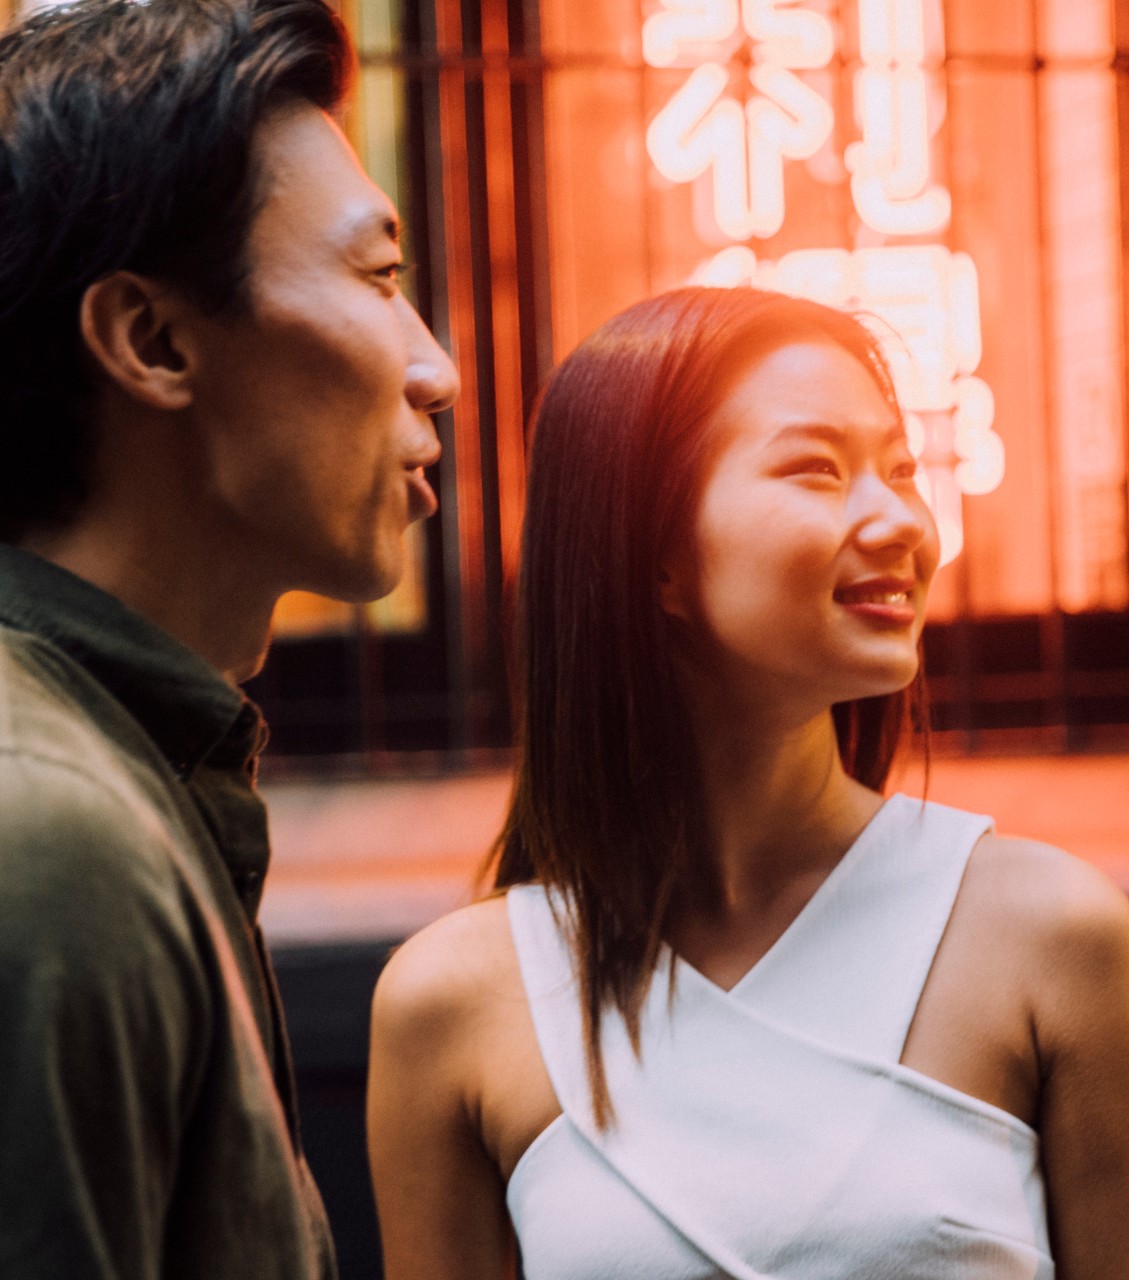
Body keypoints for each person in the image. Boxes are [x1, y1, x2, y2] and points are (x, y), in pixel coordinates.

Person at [367, 286, 1129, 1279]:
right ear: (654, 557)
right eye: (817, 470)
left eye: (900, 470)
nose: (898, 519)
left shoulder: (1054, 937)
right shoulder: (452, 1003)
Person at [0, 0, 457, 1274]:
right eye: (379, 279)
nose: (435, 369)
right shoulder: (50, 832)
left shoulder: (111, 770)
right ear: (151, 340)